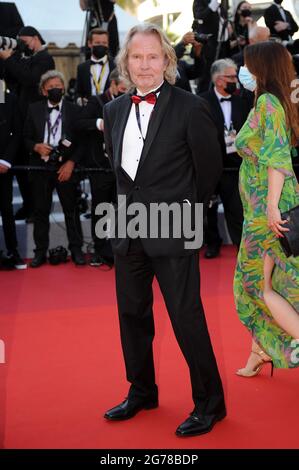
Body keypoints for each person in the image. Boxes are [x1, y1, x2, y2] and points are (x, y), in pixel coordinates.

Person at [103, 23, 226, 437]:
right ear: (125, 62)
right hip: (127, 226)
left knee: (186, 317)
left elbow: (208, 172)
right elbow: (120, 172)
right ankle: (142, 391)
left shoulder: (190, 107)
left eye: (152, 56)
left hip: (176, 224)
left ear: (167, 61)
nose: (143, 65)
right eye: (136, 57)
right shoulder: (113, 110)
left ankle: (211, 403)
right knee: (131, 315)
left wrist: (187, 213)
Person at [234, 41, 299, 376]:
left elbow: (277, 159)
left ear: (261, 67)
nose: (241, 70)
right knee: (271, 281)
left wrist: (272, 209)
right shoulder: (269, 101)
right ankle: (260, 351)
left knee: (252, 286)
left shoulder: (270, 103)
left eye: (246, 64)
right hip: (262, 208)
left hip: (266, 212)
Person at [24, 70, 85, 268]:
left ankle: (76, 249)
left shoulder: (74, 110)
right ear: (43, 91)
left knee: (71, 210)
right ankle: (40, 252)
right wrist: (35, 146)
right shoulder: (33, 109)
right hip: (40, 167)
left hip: (65, 167)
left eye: (59, 86)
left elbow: (82, 141)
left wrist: (71, 162)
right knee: (40, 211)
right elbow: (24, 138)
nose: (56, 90)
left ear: (64, 88)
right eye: (51, 88)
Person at [0, 25, 55, 221]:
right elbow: (10, 79)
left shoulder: (45, 58)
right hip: (20, 119)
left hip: (36, 121)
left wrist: (10, 59)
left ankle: (38, 209)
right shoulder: (24, 59)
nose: (22, 45)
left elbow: (30, 79)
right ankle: (28, 204)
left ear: (34, 38)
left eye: (24, 41)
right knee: (21, 165)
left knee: (34, 170)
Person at [76, 68, 128, 266]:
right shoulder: (96, 101)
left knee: (124, 206)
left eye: (128, 89)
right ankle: (99, 248)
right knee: (101, 208)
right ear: (112, 85)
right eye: (122, 89)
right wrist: (100, 123)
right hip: (100, 165)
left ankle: (123, 247)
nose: (125, 92)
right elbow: (79, 123)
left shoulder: (130, 100)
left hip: (124, 164)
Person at [200, 58, 251, 258]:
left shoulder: (242, 101)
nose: (235, 81)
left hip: (234, 165)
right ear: (218, 80)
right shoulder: (202, 101)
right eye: (231, 77)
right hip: (210, 164)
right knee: (209, 209)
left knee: (236, 210)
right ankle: (213, 243)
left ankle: (241, 249)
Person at [0, 86, 26, 269]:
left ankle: (12, 250)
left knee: (6, 209)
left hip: (3, 166)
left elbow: (17, 132)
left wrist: (6, 160)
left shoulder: (9, 99)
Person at [76, 28, 115, 105]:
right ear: (89, 44)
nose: (101, 45)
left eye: (104, 43)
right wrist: (79, 100)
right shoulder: (82, 68)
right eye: (97, 43)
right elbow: (78, 92)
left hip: (111, 110)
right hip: (89, 112)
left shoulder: (116, 66)